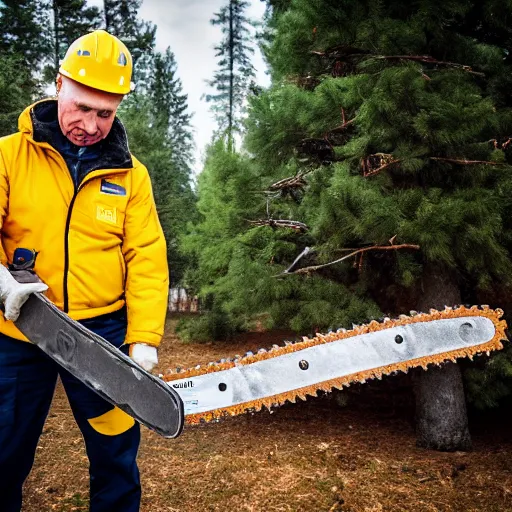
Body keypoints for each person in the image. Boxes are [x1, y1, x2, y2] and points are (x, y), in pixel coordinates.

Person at [0, 30, 169, 512]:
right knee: (4, 450)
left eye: (104, 113)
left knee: (116, 457)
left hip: (104, 335)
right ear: (58, 85)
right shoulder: (9, 155)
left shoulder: (130, 175)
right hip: (18, 329)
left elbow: (147, 257)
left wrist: (144, 339)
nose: (89, 125)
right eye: (80, 107)